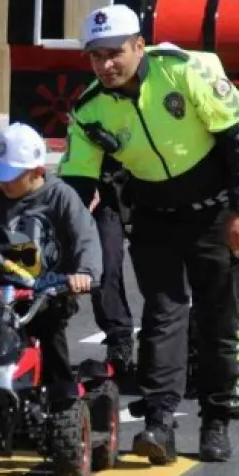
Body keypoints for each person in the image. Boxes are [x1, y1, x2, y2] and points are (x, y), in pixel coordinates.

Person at [57, 3, 239, 464]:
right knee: (163, 316)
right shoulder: (90, 109)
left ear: (139, 46)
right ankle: (160, 423)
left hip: (216, 215)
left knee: (218, 319)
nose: (106, 65)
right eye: (95, 56)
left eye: (114, 53)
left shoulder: (184, 73)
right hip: (154, 217)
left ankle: (216, 421)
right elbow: (75, 186)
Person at [0, 122, 102, 407]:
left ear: (37, 170)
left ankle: (63, 401)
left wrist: (84, 274)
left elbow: (85, 237)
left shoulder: (60, 197)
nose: (3, 183)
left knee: (49, 331)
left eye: (11, 176)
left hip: (49, 291)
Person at [88, 155, 137, 381]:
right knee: (104, 266)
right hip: (109, 194)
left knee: (163, 273)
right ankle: (119, 341)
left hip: (154, 187)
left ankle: (170, 345)